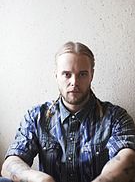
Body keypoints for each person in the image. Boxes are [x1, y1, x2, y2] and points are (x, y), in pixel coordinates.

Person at [1, 41, 135, 182]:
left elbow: (129, 158)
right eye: (66, 74)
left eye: (82, 74)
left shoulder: (115, 117)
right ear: (56, 75)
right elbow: (10, 164)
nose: (74, 82)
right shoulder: (37, 116)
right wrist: (39, 179)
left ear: (92, 75)